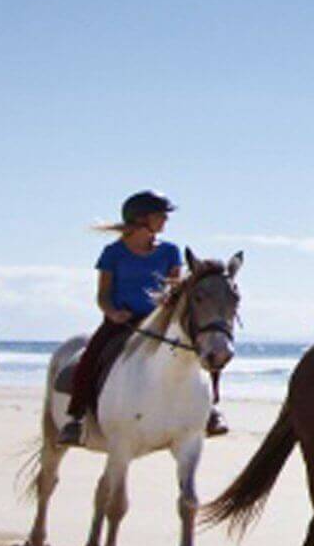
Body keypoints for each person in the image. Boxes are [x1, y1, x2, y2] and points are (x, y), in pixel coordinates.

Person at [57, 191, 228, 447]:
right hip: (121, 321)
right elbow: (103, 295)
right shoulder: (113, 253)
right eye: (160, 216)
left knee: (206, 349)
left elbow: (175, 291)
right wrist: (112, 312)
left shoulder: (170, 251)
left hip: (158, 321)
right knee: (92, 355)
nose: (165, 222)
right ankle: (76, 417)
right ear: (141, 219)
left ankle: (211, 410)